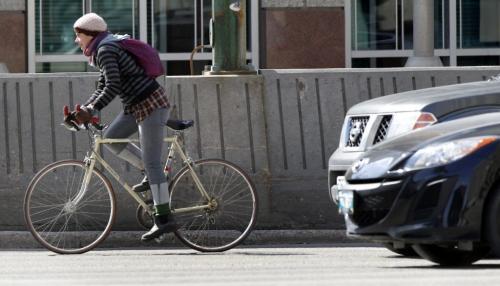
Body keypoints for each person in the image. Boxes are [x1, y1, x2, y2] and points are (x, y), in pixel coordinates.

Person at [72, 12, 176, 241]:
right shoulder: (103, 49)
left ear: (90, 35)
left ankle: (164, 219)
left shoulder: (106, 50)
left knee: (153, 163)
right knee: (112, 137)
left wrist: (91, 110)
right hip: (135, 106)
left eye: (78, 35)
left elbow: (113, 85)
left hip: (150, 105)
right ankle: (149, 174)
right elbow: (102, 86)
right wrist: (83, 111)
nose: (76, 41)